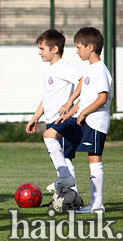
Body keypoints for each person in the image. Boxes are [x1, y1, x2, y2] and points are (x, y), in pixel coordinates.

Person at [44, 27, 112, 214]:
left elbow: (102, 98)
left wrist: (82, 114)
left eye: (79, 47)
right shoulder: (90, 69)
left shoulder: (100, 69)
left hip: (95, 121)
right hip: (82, 118)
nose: (77, 51)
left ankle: (97, 205)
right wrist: (71, 112)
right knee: (49, 134)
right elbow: (84, 99)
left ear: (90, 47)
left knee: (94, 160)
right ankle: (65, 175)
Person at [25, 29, 82, 193]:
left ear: (54, 49)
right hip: (51, 120)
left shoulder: (63, 67)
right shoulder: (51, 70)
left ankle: (72, 197)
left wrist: (70, 102)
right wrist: (35, 117)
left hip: (62, 120)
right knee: (61, 160)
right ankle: (66, 198)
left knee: (64, 159)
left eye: (42, 49)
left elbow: (83, 80)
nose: (39, 52)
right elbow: (47, 98)